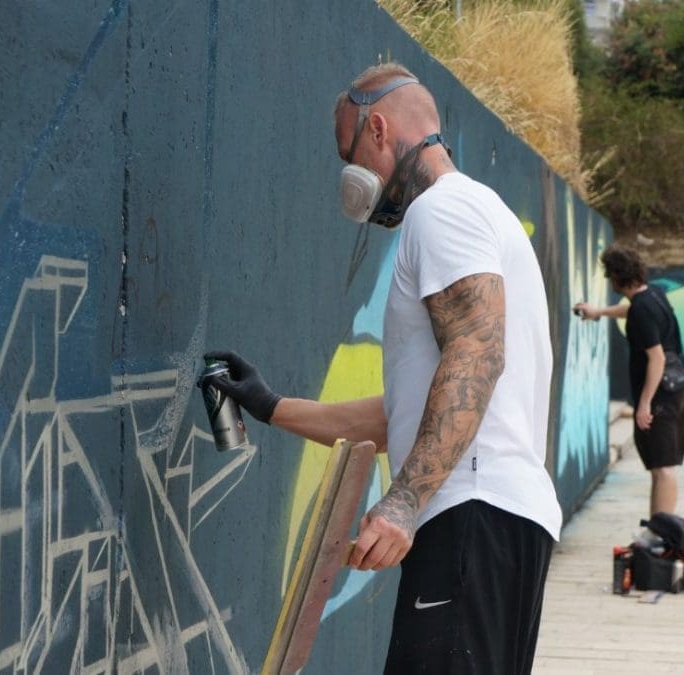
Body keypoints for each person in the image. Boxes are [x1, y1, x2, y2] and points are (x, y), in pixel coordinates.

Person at [206, 62, 562, 673]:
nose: (355, 178)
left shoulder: (441, 210)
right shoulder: (485, 212)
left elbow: (476, 351)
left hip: (468, 516)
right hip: (500, 525)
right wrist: (271, 407)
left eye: (351, 157)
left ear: (378, 129)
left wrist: (402, 503)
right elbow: (411, 414)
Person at [574, 244, 684, 516]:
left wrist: (644, 404)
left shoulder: (641, 310)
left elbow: (656, 358)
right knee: (663, 468)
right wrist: (599, 312)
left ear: (616, 276)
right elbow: (631, 310)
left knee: (663, 469)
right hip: (677, 389)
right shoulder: (653, 295)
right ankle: (659, 529)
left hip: (661, 397)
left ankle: (663, 532)